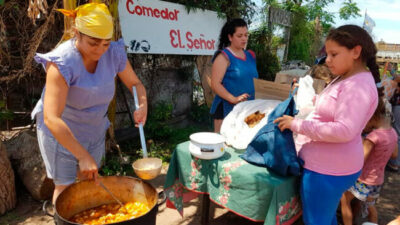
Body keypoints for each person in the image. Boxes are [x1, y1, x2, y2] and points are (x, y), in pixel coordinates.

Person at [31, 3, 147, 204]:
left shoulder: (113, 52)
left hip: (93, 129)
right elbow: (51, 117)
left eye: (105, 43)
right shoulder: (61, 62)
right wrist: (82, 155)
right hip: (60, 133)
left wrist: (143, 104)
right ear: (77, 33)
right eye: (93, 43)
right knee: (65, 186)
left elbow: (135, 83)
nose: (101, 50)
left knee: (88, 180)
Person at [274, 24, 380, 225]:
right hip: (330, 165)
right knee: (325, 217)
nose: (327, 60)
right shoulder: (347, 78)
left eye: (333, 54)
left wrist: (297, 125)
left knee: (316, 221)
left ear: (356, 52)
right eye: (327, 54)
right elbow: (335, 109)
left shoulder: (357, 85)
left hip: (327, 170)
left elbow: (344, 130)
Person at [340, 95, 398, 225]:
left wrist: (360, 141)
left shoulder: (374, 136)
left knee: (344, 198)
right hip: (378, 180)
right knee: (370, 206)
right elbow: (394, 155)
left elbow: (361, 158)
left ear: (373, 117)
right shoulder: (392, 133)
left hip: (365, 179)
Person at [210, 18, 258, 133]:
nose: (244, 39)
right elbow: (215, 84)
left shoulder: (251, 55)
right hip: (227, 109)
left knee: (245, 141)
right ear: (230, 37)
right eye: (239, 35)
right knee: (224, 145)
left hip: (250, 108)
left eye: (246, 35)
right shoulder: (223, 56)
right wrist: (234, 99)